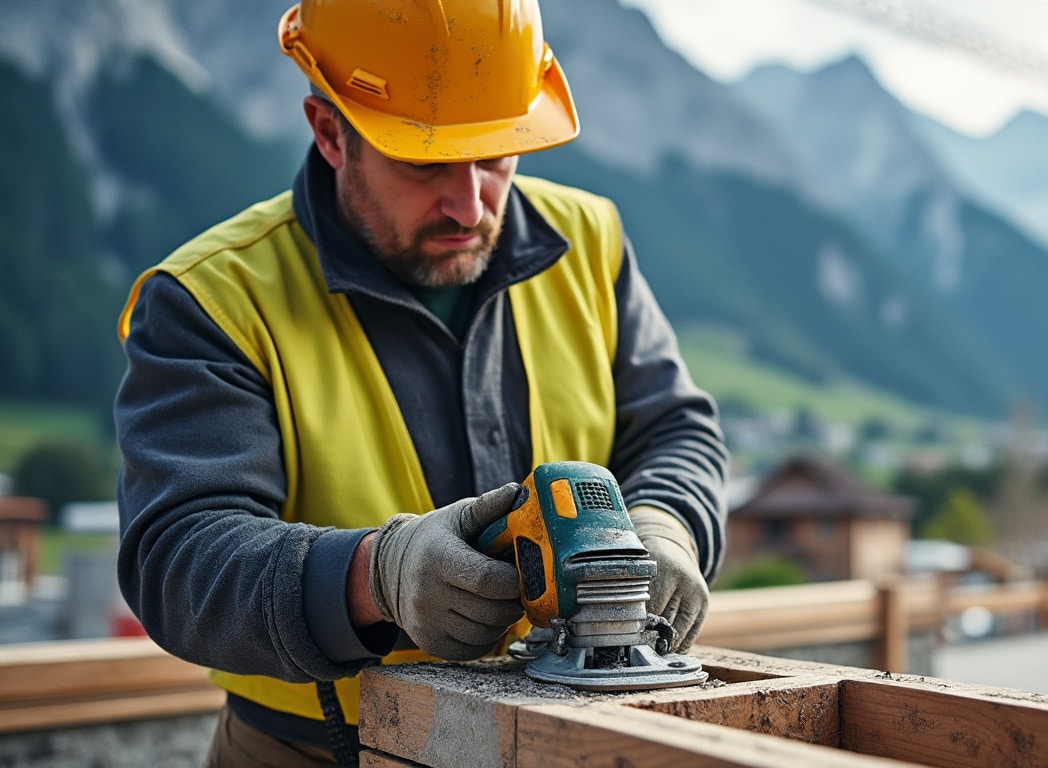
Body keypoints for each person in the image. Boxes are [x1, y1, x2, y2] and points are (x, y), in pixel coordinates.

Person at [113, 0, 729, 764]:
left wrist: (668, 524)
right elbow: (180, 561)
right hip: (311, 750)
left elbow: (676, 430)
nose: (470, 204)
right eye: (426, 160)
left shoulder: (592, 241)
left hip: (568, 740)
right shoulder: (212, 299)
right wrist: (376, 576)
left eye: (498, 154)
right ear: (331, 132)